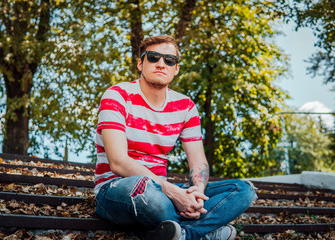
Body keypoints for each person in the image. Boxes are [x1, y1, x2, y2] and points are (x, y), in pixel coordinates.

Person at [94, 35, 257, 240]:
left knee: (243, 190)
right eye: (153, 57)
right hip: (118, 190)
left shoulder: (185, 106)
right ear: (140, 63)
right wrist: (175, 194)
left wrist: (196, 193)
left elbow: (198, 160)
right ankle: (202, 232)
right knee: (146, 192)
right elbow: (118, 162)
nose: (161, 63)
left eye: (169, 60)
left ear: (176, 68)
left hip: (162, 190)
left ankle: (184, 234)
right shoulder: (117, 95)